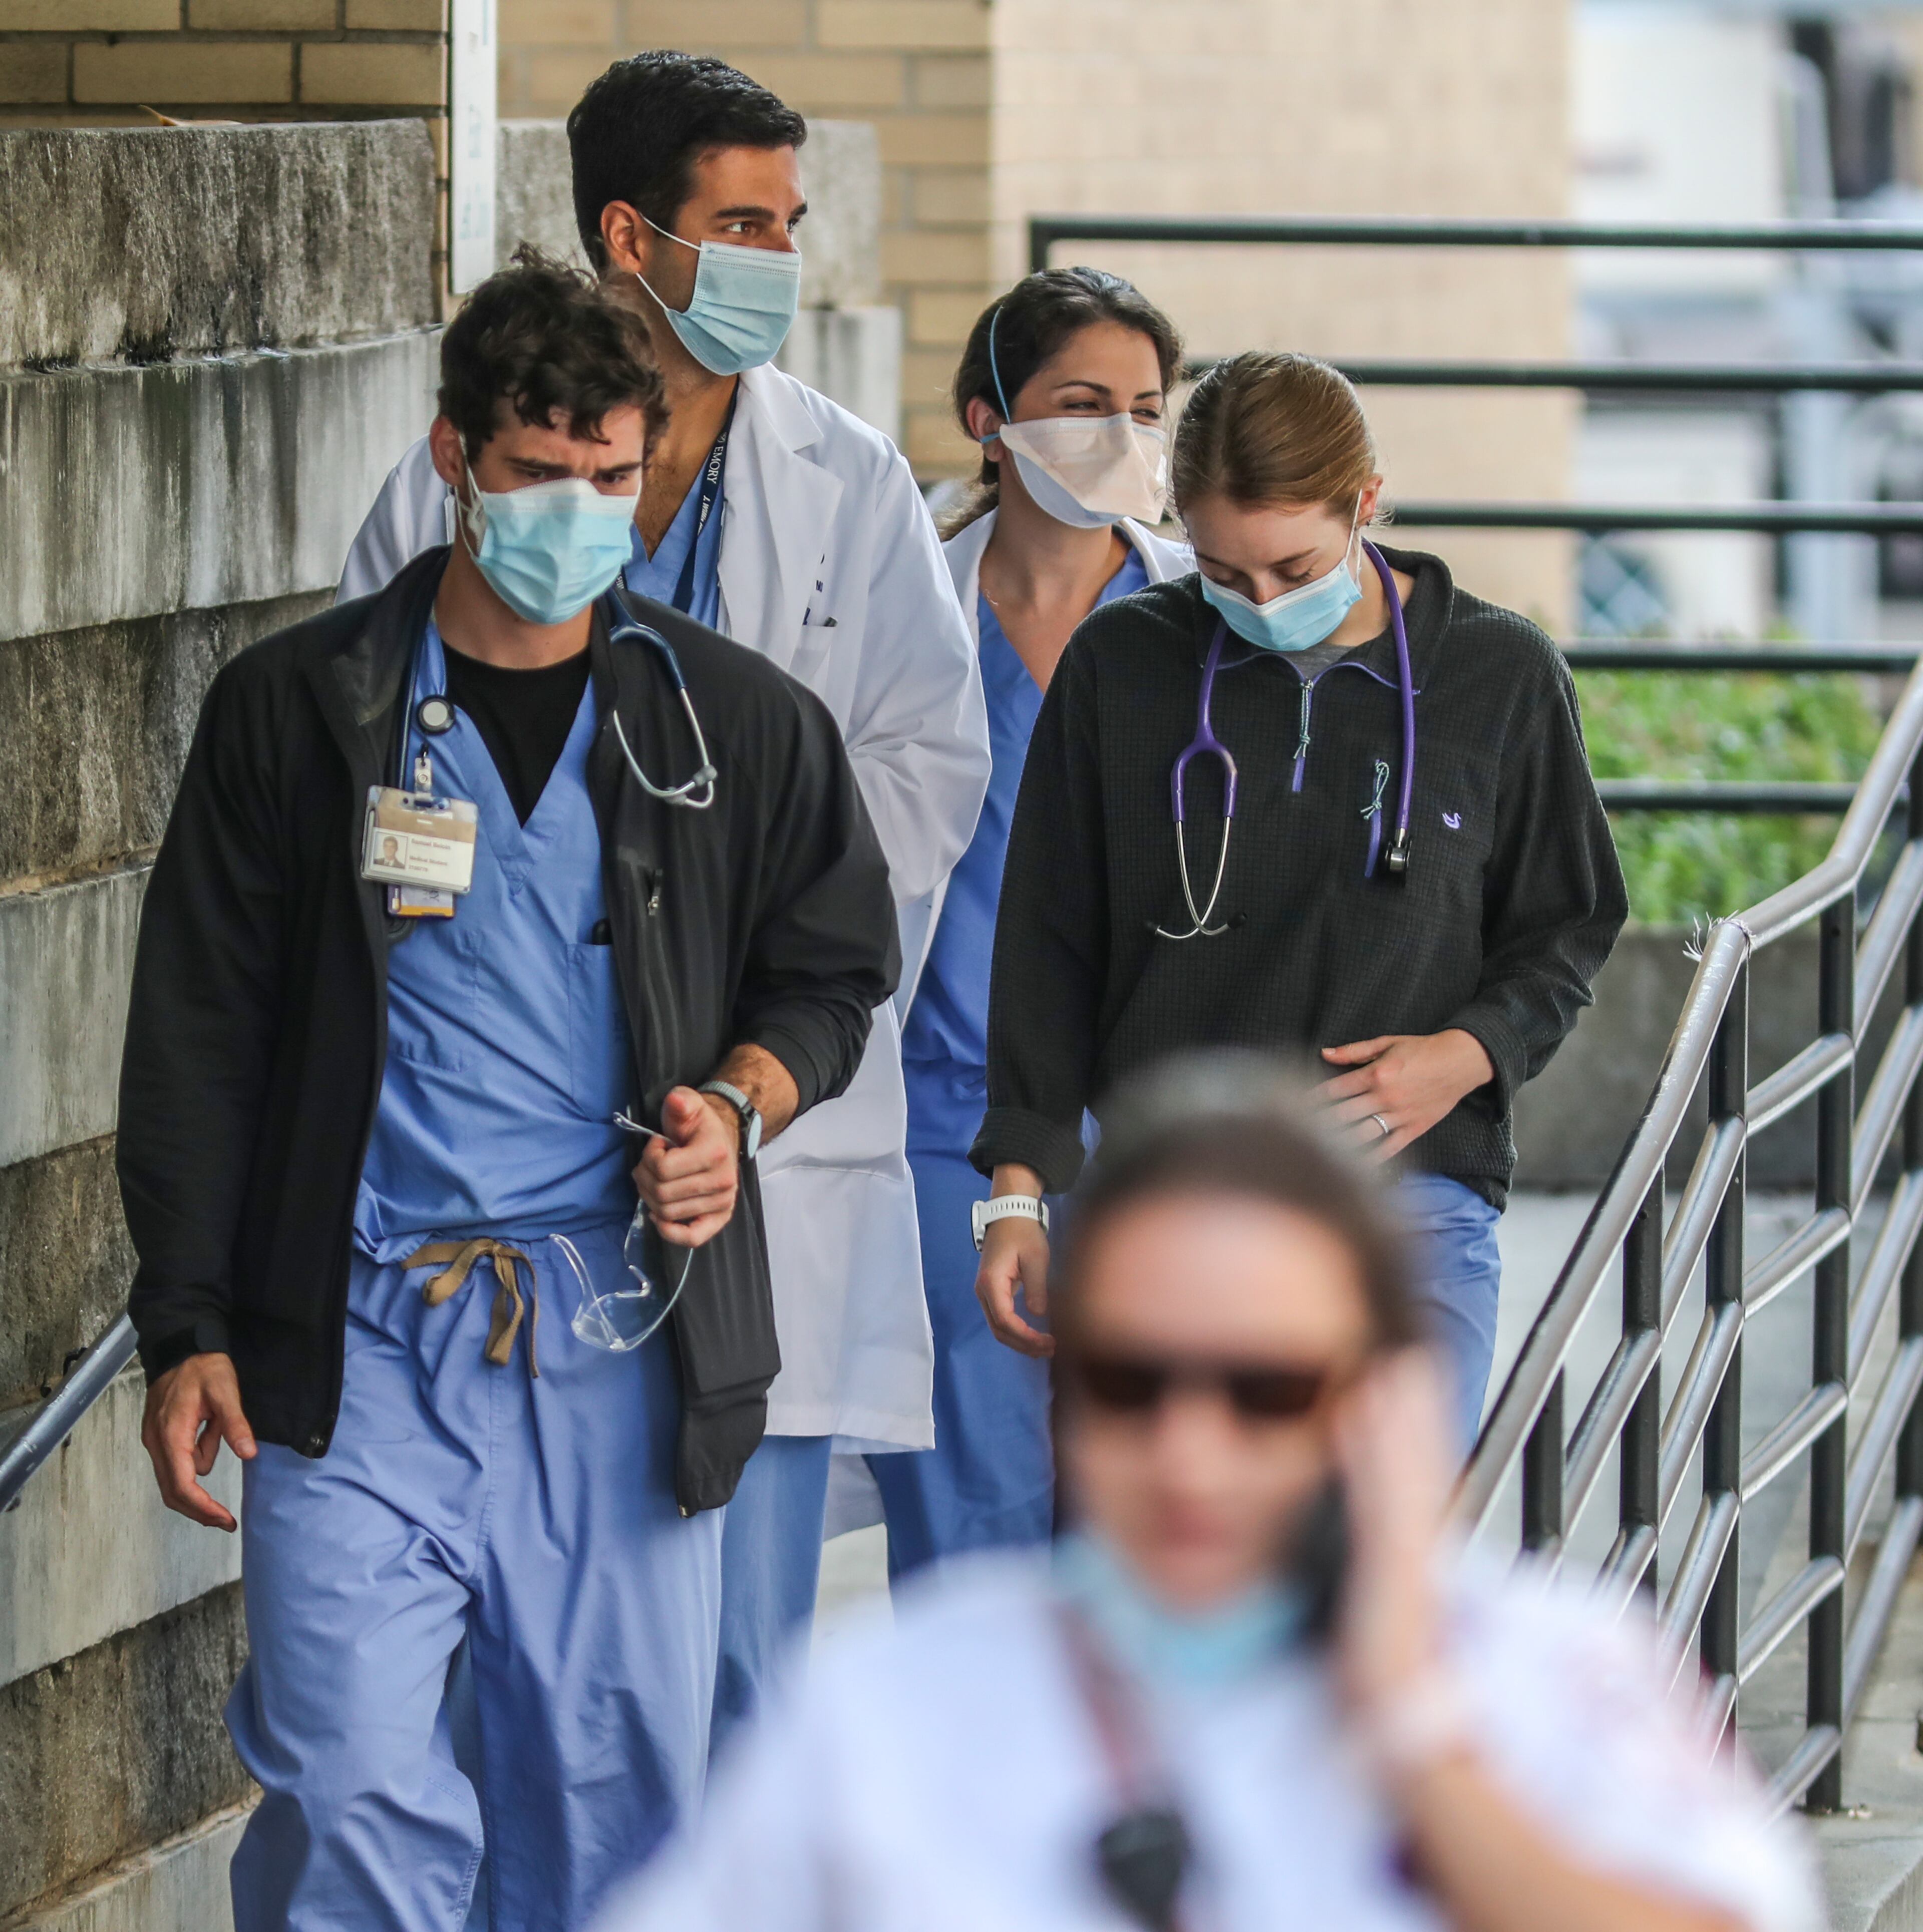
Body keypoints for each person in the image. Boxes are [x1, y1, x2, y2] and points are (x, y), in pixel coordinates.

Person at [118, 252, 898, 1932]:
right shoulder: (300, 712)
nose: (580, 510)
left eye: (614, 476)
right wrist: (185, 1319)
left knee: (611, 1820)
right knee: (345, 1792)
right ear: (454, 456)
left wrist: (738, 1108)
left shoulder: (735, 723)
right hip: (361, 1339)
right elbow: (198, 1026)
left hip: (619, 1344)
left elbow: (832, 970)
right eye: (540, 473)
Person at [339, 51, 991, 1740]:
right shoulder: (456, 479)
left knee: (742, 1659)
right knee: (510, 1683)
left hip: (752, 1124)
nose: (783, 253)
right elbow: (365, 758)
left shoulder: (843, 481)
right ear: (634, 235)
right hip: (504, 1145)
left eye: (790, 219)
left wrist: (757, 947)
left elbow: (929, 758)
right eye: (746, 222)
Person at [598, 1055, 1819, 1932]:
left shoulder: (1555, 1678)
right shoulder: (889, 1716)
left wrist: (1413, 1728)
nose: (1190, 1451)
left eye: (1267, 1390)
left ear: (1373, 1402)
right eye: (1133, 1382)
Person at [973, 352, 1628, 1445]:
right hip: (1164, 1203)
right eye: (1226, 575)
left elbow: (1566, 927)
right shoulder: (1120, 664)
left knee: (1387, 1559)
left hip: (1408, 1199)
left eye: (1294, 565)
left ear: (1366, 501)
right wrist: (1017, 1191)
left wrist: (1465, 1054)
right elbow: (1048, 941)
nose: (1263, 604)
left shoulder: (1501, 676)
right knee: (1166, 1569)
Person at [865, 269, 1188, 1582]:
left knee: (1148, 1520)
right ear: (986, 420)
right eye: (1081, 403)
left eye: (1148, 408)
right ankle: (984, 1791)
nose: (1121, 435)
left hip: (1167, 1127)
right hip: (949, 1123)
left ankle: (1131, 1793)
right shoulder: (903, 620)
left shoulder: (1204, 625)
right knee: (972, 1526)